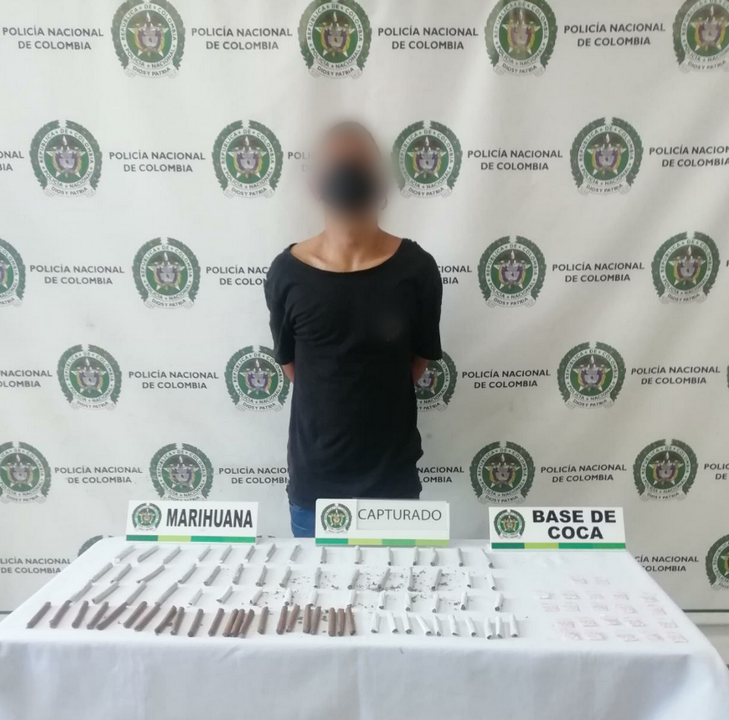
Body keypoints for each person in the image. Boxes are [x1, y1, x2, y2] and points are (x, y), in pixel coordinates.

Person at [264, 121, 443, 537]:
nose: (348, 172)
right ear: (315, 183)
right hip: (315, 490)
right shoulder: (287, 273)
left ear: (382, 180)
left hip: (393, 486)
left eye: (360, 163)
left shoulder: (417, 270)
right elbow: (293, 367)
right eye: (337, 163)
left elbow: (418, 362)